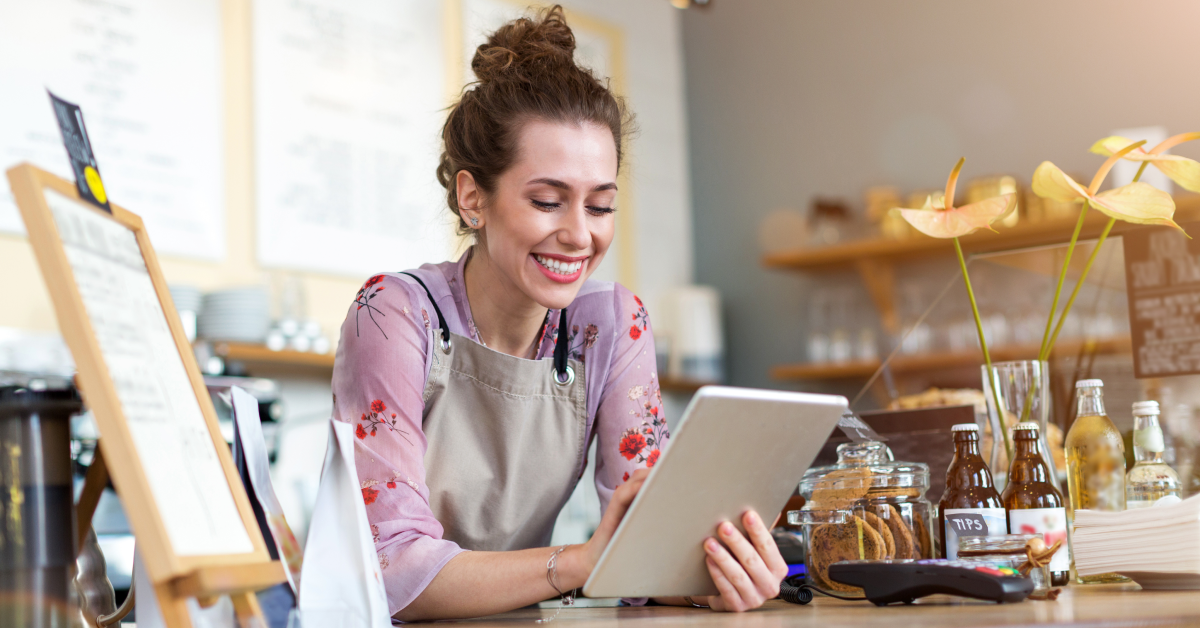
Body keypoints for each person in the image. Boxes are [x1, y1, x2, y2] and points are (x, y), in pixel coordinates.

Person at [331, 6, 786, 621]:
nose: (578, 235)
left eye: (600, 207)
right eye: (548, 201)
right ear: (473, 198)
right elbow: (390, 572)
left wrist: (710, 571)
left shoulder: (613, 325)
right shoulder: (392, 315)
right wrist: (579, 563)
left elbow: (646, 537)